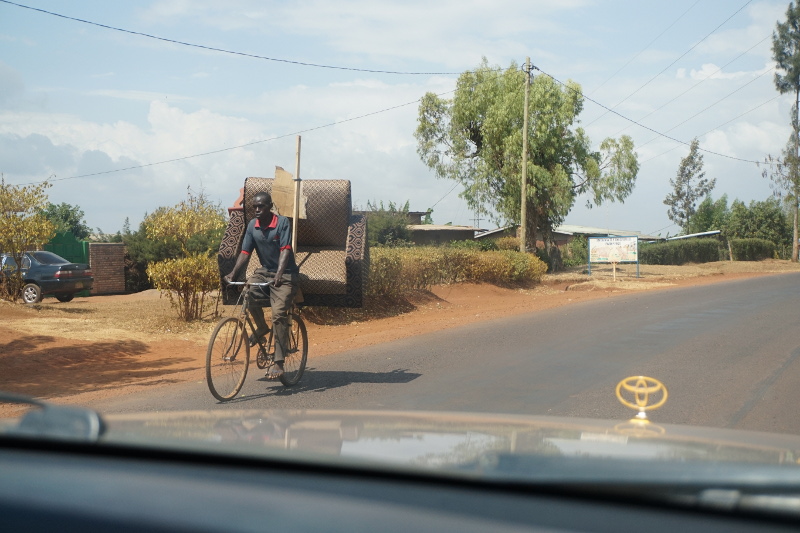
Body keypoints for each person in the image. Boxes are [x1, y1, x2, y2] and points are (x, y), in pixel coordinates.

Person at [223, 191, 299, 379]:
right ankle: (262, 328)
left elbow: (285, 250)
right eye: (254, 206)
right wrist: (233, 273)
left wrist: (280, 275)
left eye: (261, 206)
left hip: (286, 274)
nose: (257, 209)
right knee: (247, 293)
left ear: (270, 206)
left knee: (279, 313)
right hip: (264, 271)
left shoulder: (282, 223)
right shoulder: (252, 225)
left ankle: (279, 362)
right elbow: (245, 252)